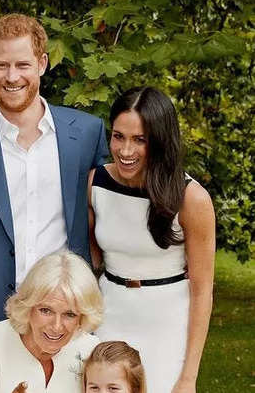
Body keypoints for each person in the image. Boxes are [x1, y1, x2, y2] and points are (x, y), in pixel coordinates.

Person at [0, 13, 109, 337]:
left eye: (22, 65)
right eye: (2, 65)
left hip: (69, 313)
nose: (12, 77)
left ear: (41, 63)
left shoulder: (85, 134)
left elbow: (109, 213)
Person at [88, 86, 215, 393]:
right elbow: (90, 262)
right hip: (109, 319)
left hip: (167, 325)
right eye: (118, 136)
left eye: (139, 140)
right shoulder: (96, 183)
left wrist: (189, 377)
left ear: (159, 141)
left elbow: (202, 291)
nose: (125, 150)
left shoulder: (191, 199)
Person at [0, 251, 103, 393]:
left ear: (82, 316)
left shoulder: (90, 349)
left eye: (69, 314)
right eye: (46, 310)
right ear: (28, 306)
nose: (57, 326)